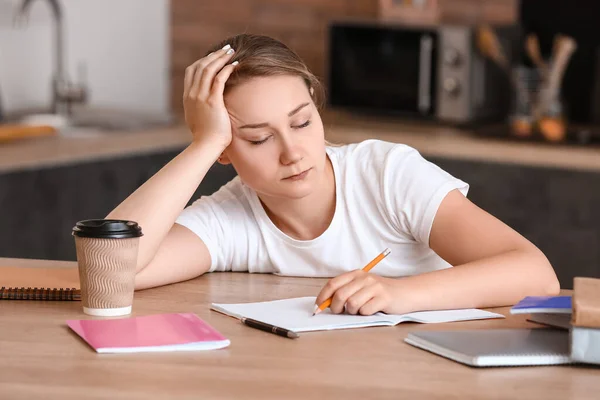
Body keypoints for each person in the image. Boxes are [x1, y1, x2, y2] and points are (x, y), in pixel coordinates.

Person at [106, 34, 560, 316]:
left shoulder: (385, 174)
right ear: (226, 147)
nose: (293, 152)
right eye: (259, 139)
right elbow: (108, 269)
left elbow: (536, 275)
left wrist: (399, 294)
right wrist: (201, 144)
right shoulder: (231, 216)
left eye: (302, 123)